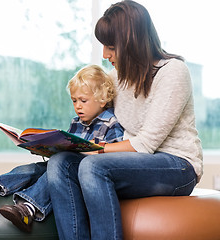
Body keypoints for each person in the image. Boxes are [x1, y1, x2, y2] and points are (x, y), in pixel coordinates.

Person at [46, 1, 203, 239]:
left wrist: (95, 151)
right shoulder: (115, 77)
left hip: (178, 165)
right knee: (60, 164)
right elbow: (91, 113)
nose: (104, 55)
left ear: (132, 44)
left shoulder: (173, 72)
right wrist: (54, 144)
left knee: (92, 166)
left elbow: (146, 144)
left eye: (110, 46)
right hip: (130, 161)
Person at [0, 64, 124, 233]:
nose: (78, 106)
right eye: (74, 100)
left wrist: (97, 150)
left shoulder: (111, 123)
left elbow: (112, 157)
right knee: (35, 169)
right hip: (63, 166)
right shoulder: (76, 122)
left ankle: (27, 208)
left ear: (102, 99)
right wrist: (44, 148)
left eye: (83, 101)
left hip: (82, 175)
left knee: (53, 172)